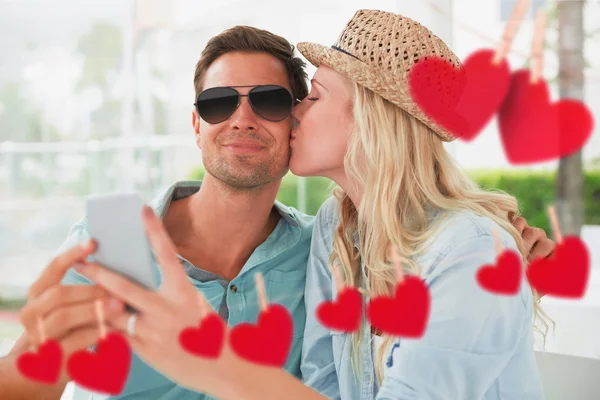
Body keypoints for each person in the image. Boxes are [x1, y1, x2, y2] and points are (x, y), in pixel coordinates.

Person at [0, 17, 555, 400]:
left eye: (273, 100)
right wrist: (39, 356)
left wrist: (491, 252)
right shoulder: (112, 245)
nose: (241, 120)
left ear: (296, 122)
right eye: (218, 104)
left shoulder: (336, 242)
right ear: (196, 124)